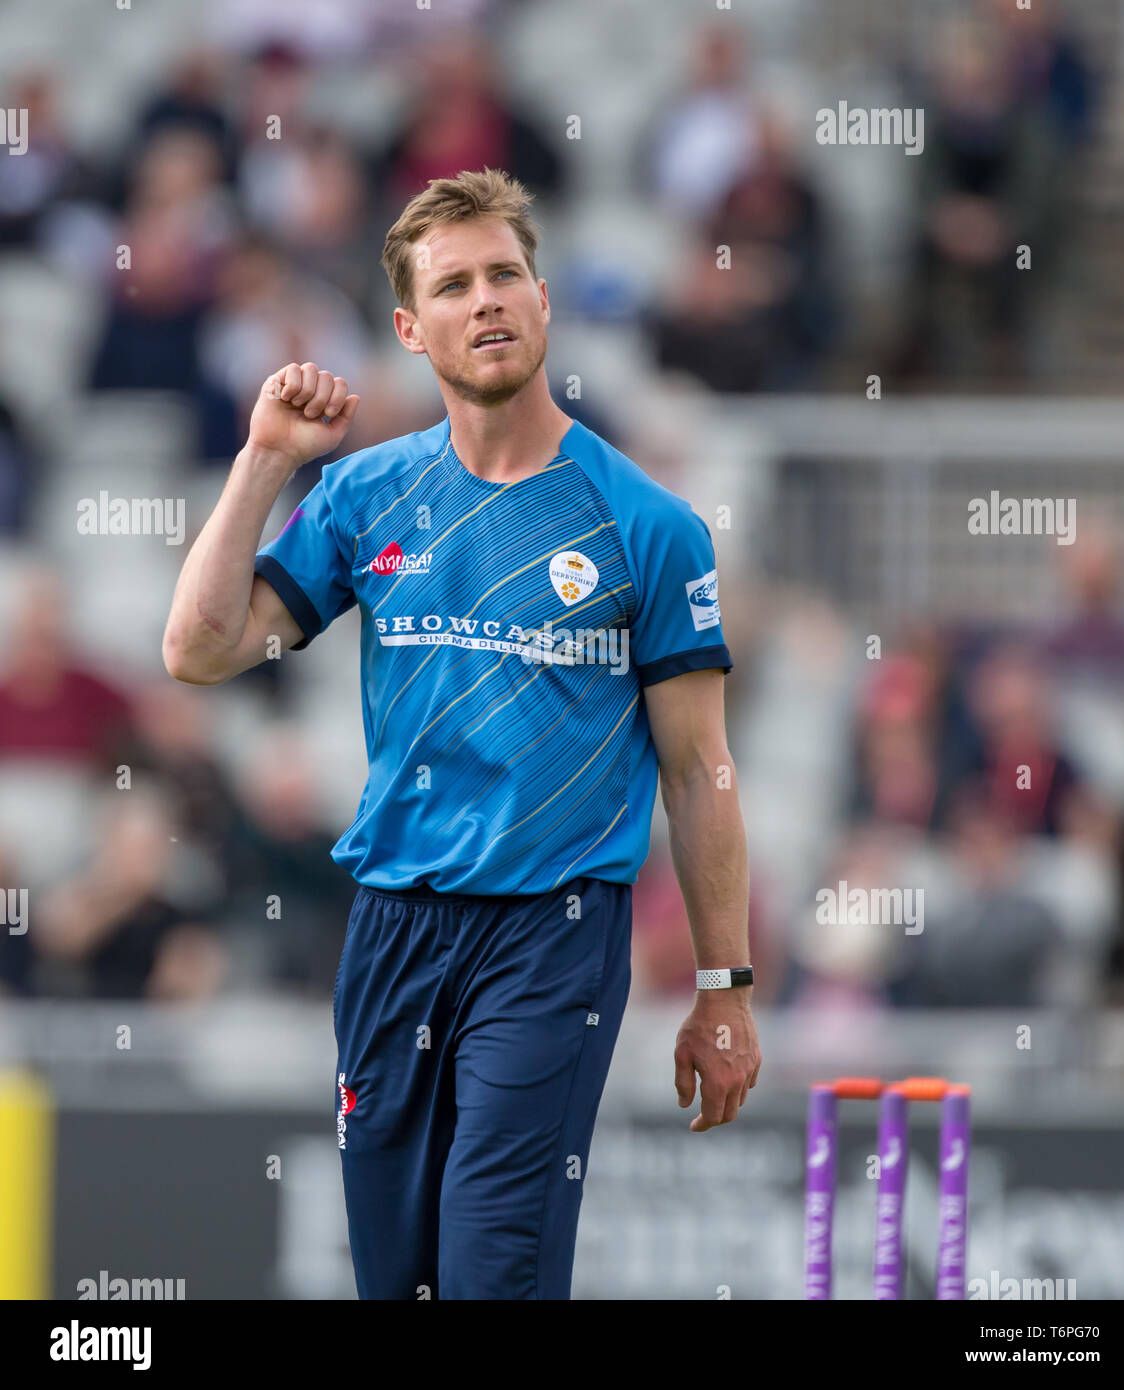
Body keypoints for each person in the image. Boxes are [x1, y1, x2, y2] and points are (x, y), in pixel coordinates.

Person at [161, 166, 759, 1300]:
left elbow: (699, 766)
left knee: (493, 1269)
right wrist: (266, 461)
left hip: (551, 937)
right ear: (409, 326)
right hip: (389, 929)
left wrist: (724, 983)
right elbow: (199, 649)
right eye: (453, 286)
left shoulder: (647, 523)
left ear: (542, 301)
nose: (484, 300)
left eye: (504, 276)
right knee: (403, 1281)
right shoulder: (361, 496)